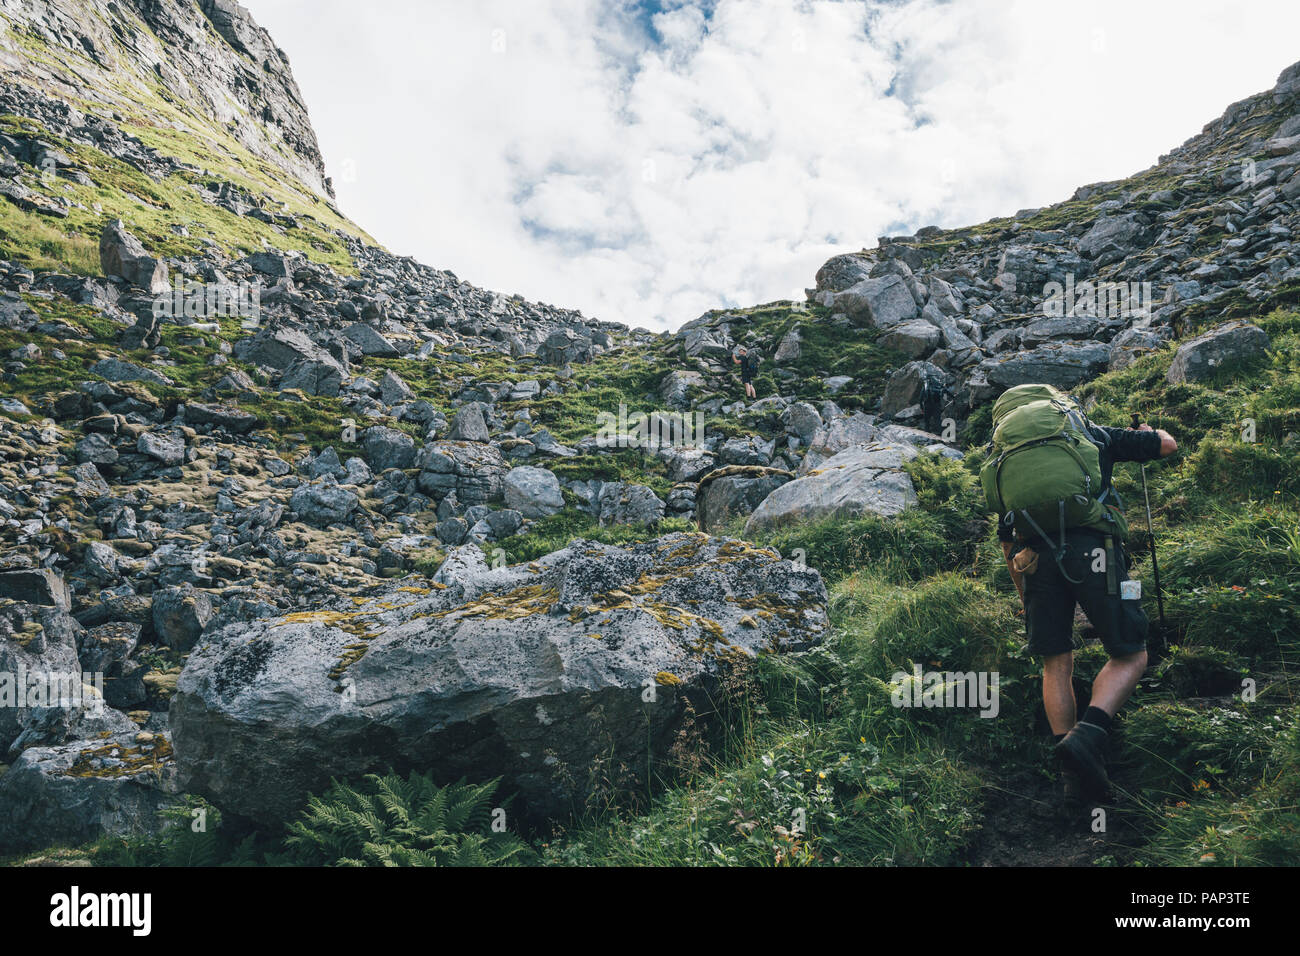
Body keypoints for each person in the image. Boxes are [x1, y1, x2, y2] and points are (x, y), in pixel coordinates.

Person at [998, 403, 1177, 803]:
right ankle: (1088, 735)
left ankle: (1072, 773)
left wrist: (1024, 596)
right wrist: (1150, 431)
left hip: (1034, 561)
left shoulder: (1007, 459)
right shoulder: (1092, 434)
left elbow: (1007, 541)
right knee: (1130, 653)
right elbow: (1167, 446)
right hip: (1095, 552)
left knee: (1056, 661)